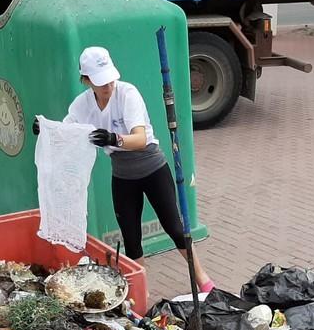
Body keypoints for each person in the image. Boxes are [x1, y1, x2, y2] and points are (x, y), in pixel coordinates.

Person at [36, 47, 214, 291]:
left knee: (175, 227)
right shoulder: (82, 105)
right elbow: (67, 133)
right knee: (131, 239)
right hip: (122, 175)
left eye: (110, 79)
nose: (108, 86)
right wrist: (46, 130)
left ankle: (203, 280)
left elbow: (139, 138)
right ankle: (140, 293)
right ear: (86, 80)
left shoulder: (128, 93)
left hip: (152, 166)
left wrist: (113, 139)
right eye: (100, 82)